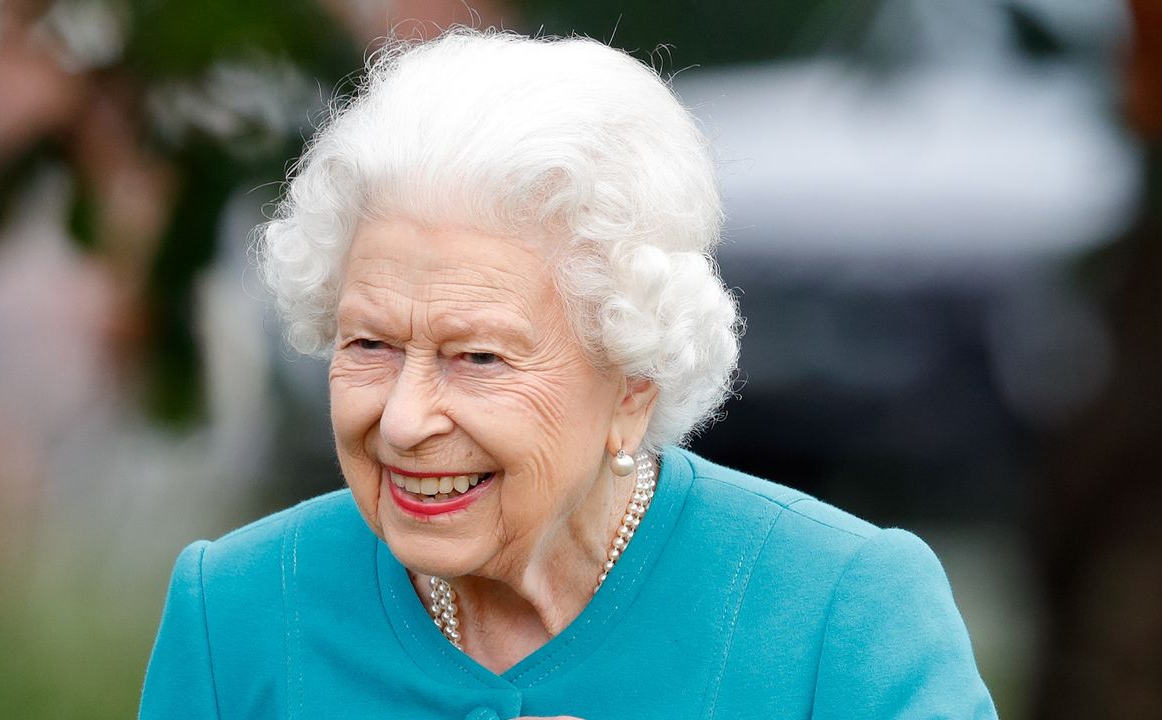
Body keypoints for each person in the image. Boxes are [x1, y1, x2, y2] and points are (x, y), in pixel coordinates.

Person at [139, 29, 997, 720]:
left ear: (632, 386)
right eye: (370, 346)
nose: (403, 420)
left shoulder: (839, 615)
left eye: (477, 357)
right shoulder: (237, 612)